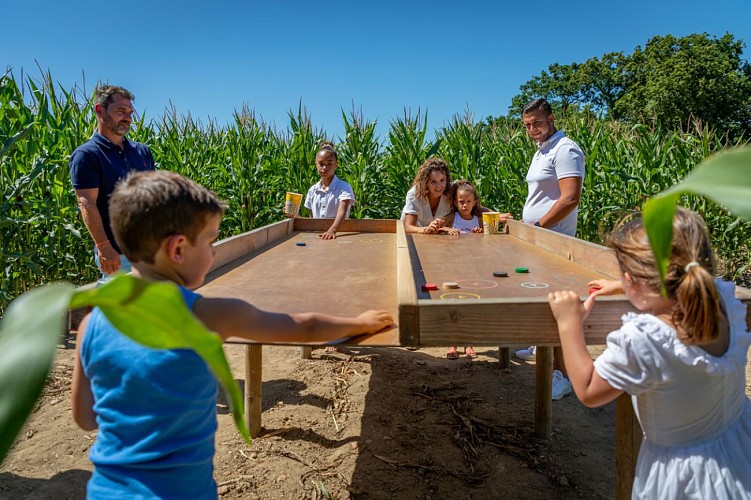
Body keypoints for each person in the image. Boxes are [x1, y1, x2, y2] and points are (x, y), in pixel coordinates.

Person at [71, 170, 393, 499]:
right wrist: (361, 322)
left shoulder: (90, 323)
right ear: (178, 249)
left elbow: (85, 417)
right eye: (210, 242)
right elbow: (304, 327)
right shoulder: (207, 315)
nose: (213, 253)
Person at [548, 208, 751, 499]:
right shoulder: (722, 300)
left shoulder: (646, 339)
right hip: (737, 451)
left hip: (685, 479)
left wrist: (569, 324)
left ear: (635, 280)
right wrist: (628, 285)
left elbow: (589, 390)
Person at [514, 98, 586, 401]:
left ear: (551, 118)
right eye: (527, 124)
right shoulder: (542, 150)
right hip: (538, 237)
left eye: (537, 123)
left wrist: (540, 226)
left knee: (558, 306)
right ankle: (539, 345)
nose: (532, 129)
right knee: (541, 298)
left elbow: (570, 198)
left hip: (554, 240)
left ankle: (563, 375)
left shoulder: (565, 149)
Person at [69, 85, 156, 284]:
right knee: (119, 311)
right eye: (120, 111)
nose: (127, 117)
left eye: (130, 113)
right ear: (100, 110)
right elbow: (86, 203)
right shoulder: (88, 155)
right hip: (118, 255)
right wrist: (104, 247)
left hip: (149, 251)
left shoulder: (142, 152)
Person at [438, 180, 483, 359]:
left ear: (474, 202)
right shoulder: (452, 217)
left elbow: (487, 238)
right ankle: (452, 342)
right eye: (461, 201)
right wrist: (448, 229)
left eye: (468, 201)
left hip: (473, 267)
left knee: (471, 301)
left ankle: (469, 342)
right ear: (456, 202)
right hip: (454, 266)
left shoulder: (477, 219)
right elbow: (438, 226)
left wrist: (480, 233)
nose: (465, 205)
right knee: (453, 302)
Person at [294, 142, 355, 240]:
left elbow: (342, 211)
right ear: (316, 164)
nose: (325, 168)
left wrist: (332, 230)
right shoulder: (312, 190)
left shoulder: (344, 187)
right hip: (319, 237)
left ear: (336, 165)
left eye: (329, 163)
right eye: (321, 164)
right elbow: (312, 220)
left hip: (339, 236)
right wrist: (295, 216)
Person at [401, 157, 454, 234]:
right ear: (425, 182)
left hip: (436, 238)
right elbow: (408, 227)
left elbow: (455, 212)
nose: (439, 186)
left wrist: (444, 225)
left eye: (442, 180)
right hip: (413, 237)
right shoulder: (414, 194)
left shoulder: (451, 193)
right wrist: (426, 229)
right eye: (433, 182)